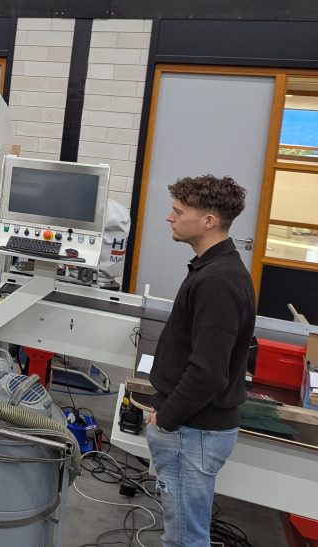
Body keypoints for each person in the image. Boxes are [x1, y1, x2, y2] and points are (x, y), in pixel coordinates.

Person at [147, 174, 256, 547]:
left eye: (178, 211)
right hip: (192, 429)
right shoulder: (212, 268)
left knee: (184, 540)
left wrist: (166, 418)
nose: (169, 217)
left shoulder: (217, 281)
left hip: (192, 431)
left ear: (208, 221)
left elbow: (208, 372)